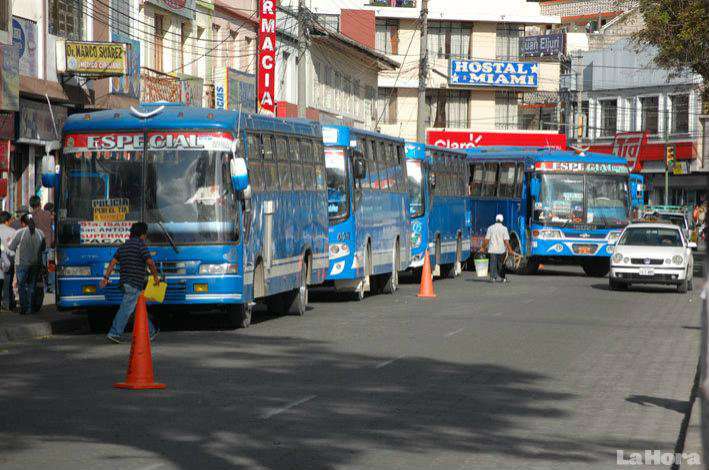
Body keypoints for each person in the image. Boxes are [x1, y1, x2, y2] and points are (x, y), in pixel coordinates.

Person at [100, 222, 160, 343]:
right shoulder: (140, 245)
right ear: (142, 234)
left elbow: (112, 262)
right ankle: (114, 332)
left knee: (138, 308)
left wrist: (106, 277)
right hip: (134, 283)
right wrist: (155, 277)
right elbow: (150, 262)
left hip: (125, 283)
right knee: (126, 309)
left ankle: (151, 331)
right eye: (145, 234)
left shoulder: (124, 246)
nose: (145, 237)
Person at [9, 214, 45, 314]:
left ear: (23, 223)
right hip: (35, 263)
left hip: (21, 263)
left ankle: (24, 307)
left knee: (21, 286)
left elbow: (11, 247)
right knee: (31, 286)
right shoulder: (40, 233)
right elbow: (43, 248)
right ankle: (29, 308)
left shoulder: (19, 232)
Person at [481, 214, 514, 283]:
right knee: (501, 264)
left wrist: (483, 248)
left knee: (493, 264)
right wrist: (510, 250)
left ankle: (493, 278)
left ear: (496, 220)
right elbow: (506, 241)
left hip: (492, 249)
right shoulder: (504, 229)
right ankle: (503, 278)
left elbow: (486, 240)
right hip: (501, 250)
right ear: (502, 220)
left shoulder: (490, 228)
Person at [0, 211, 16, 310]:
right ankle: (7, 303)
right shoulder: (12, 231)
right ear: (7, 221)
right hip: (8, 260)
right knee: (7, 283)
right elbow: (14, 248)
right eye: (10, 220)